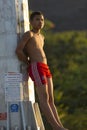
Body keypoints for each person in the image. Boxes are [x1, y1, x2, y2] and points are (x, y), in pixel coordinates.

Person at [16, 11, 68, 130]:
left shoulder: (42, 37)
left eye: (42, 20)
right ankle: (56, 127)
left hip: (45, 67)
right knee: (44, 98)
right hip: (36, 67)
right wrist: (28, 62)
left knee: (51, 99)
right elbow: (18, 50)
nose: (40, 22)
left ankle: (60, 126)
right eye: (37, 19)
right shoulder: (28, 34)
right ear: (31, 22)